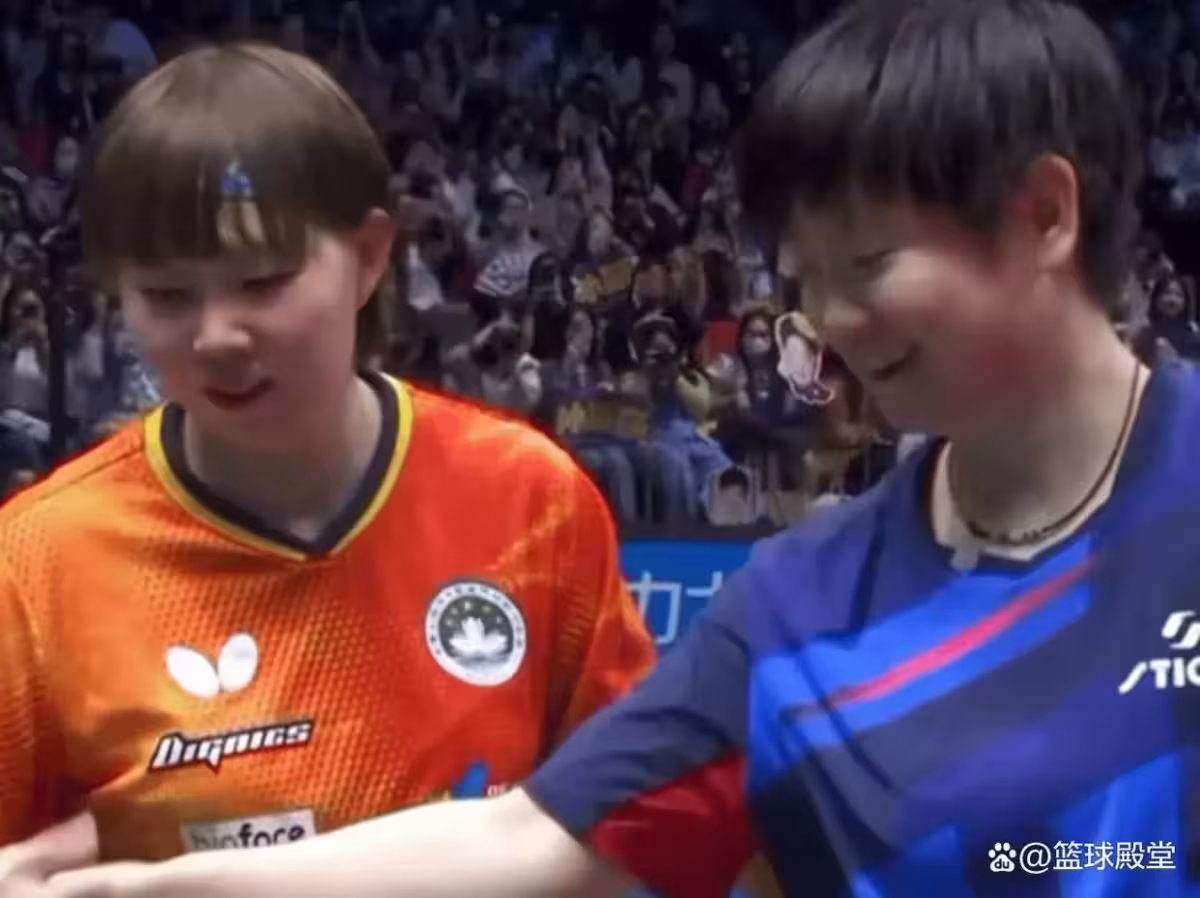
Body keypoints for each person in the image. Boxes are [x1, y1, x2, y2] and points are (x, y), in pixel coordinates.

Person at [13, 0, 1196, 896]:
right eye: (807, 278)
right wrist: (154, 886)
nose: (829, 320)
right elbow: (535, 836)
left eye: (870, 265)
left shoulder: (523, 495)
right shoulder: (799, 606)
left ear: (1044, 214)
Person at [0, 41, 655, 867]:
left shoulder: (531, 498)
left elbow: (639, 823)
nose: (217, 337)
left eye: (263, 282)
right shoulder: (34, 564)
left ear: (370, 256)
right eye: (166, 295)